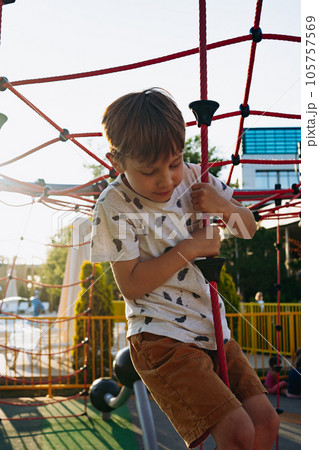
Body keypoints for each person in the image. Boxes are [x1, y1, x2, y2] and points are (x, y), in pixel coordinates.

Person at [91, 88, 279, 449]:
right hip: (160, 336)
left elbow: (249, 227)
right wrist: (190, 247)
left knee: (265, 420)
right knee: (238, 431)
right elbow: (130, 285)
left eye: (174, 163)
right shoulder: (113, 204)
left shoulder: (196, 178)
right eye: (149, 171)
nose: (166, 180)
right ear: (116, 162)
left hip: (212, 326)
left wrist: (223, 206)